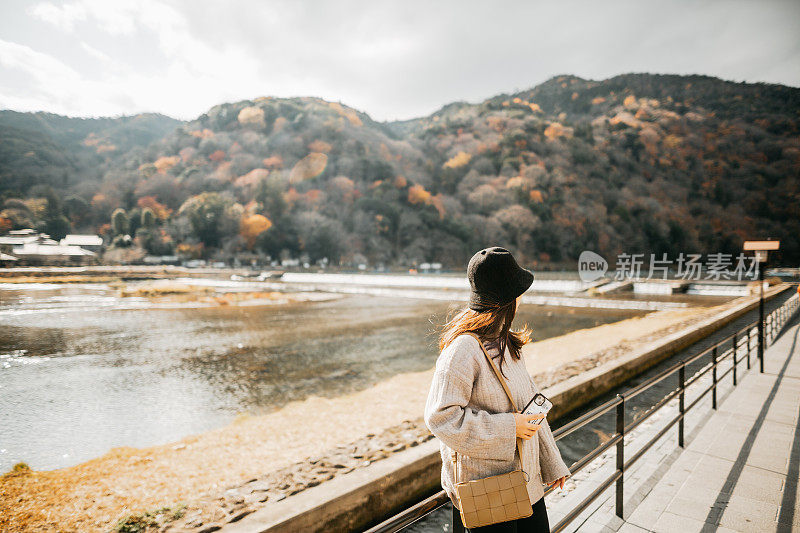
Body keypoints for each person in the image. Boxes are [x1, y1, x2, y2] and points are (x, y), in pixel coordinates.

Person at [424, 247, 571, 532]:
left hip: (528, 486)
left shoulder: (510, 344)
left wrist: (553, 464)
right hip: (487, 494)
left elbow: (533, 409)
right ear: (508, 300)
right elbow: (440, 417)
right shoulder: (463, 349)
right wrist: (509, 427)